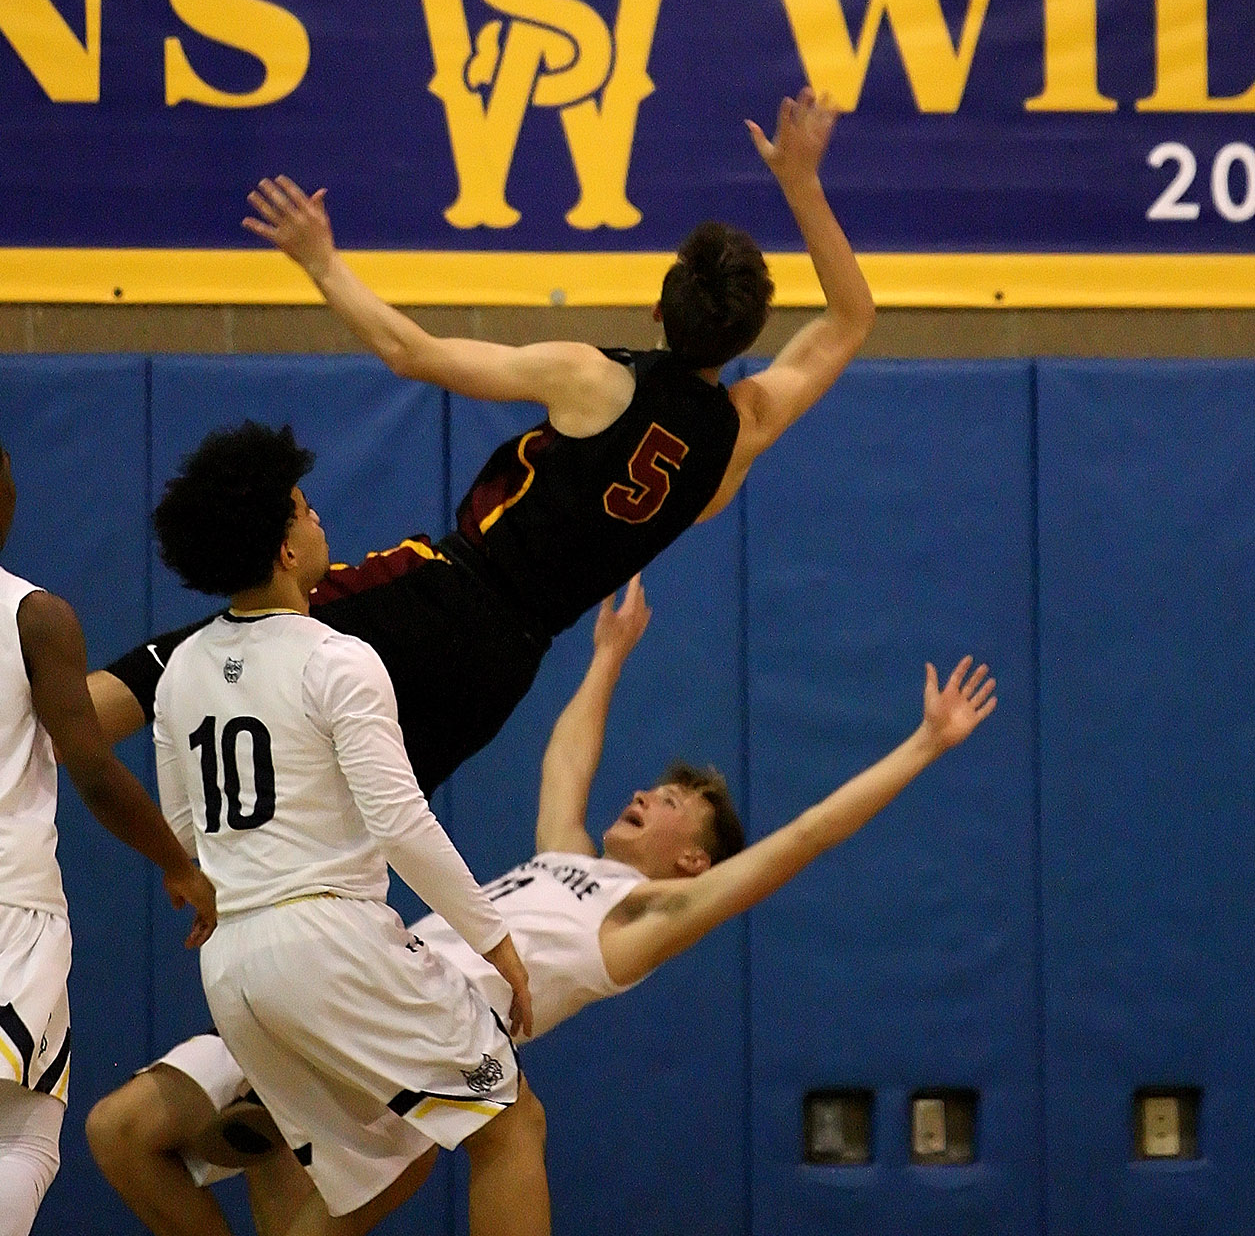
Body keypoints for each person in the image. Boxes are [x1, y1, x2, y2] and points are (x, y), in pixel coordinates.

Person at [87, 576, 995, 1236]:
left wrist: (922, 745)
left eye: (676, 802)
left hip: (415, 1039)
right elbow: (567, 759)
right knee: (121, 1134)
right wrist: (605, 659)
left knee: (489, 1133)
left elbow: (802, 839)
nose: (649, 792)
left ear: (692, 859)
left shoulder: (640, 920)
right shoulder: (569, 864)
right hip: (345, 977)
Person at [89, 86, 876, 794]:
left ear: (658, 313)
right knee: (355, 823)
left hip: (441, 595)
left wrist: (322, 262)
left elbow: (410, 352)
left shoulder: (593, 377)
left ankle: (31, 736)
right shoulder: (743, 430)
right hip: (503, 668)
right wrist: (802, 184)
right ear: (744, 338)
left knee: (188, 659)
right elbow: (849, 319)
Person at [141, 420, 550, 1236]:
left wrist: (219, 892)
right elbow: (401, 822)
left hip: (233, 968)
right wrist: (497, 944)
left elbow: (183, 832)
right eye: (303, 507)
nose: (317, 517)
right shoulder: (337, 656)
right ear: (285, 551)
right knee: (509, 1125)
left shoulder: (181, 669)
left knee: (377, 1177)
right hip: (328, 938)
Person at [0, 441, 215, 1236]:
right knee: (23, 1136)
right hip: (7, 912)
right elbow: (90, 766)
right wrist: (178, 861)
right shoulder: (32, 613)